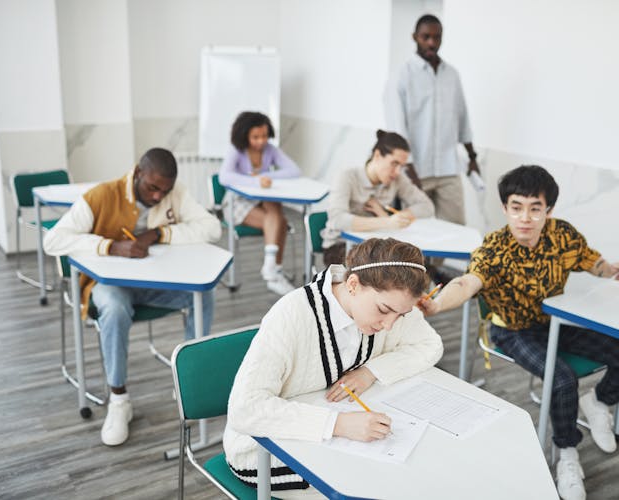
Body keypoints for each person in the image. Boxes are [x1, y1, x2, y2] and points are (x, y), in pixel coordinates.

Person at [418, 165, 619, 500]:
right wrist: (437, 306)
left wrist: (611, 270)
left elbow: (591, 261)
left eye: (535, 208)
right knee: (562, 378)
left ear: (548, 211)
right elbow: (468, 282)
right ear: (505, 208)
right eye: (516, 207)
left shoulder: (563, 235)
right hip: (512, 332)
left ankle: (598, 401)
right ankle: (566, 453)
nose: (525, 217)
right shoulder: (495, 247)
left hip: (554, 325)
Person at [223, 238, 443, 498]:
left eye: (401, 315)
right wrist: (338, 424)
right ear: (352, 285)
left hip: (329, 434)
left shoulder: (390, 302)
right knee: (375, 484)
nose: (389, 326)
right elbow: (245, 409)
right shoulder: (292, 313)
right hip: (262, 450)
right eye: (384, 310)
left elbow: (430, 344)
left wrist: (370, 372)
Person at [43, 147, 222, 447]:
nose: (157, 197)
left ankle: (190, 383)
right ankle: (119, 399)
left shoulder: (174, 193)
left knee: (201, 294)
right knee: (113, 307)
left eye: (163, 191)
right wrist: (110, 247)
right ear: (138, 173)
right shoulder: (102, 195)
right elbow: (53, 240)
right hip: (110, 286)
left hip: (155, 282)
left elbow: (212, 228)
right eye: (152, 188)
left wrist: (159, 234)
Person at [384, 14, 479, 227]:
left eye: (437, 37)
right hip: (416, 170)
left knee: (455, 230)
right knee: (417, 233)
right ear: (415, 37)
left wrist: (472, 157)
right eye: (426, 37)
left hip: (448, 169)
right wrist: (409, 170)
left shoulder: (452, 75)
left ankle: (436, 263)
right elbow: (397, 129)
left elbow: (462, 117)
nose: (431, 43)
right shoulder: (401, 75)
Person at [320, 129, 434, 266]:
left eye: (402, 166)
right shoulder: (347, 176)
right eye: (394, 163)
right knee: (393, 268)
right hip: (341, 246)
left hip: (376, 247)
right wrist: (386, 221)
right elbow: (337, 219)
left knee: (414, 264)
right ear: (377, 155)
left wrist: (399, 216)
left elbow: (427, 206)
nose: (398, 172)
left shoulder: (397, 179)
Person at [218, 111, 301, 295]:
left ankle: (272, 270)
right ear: (244, 135)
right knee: (280, 222)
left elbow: (294, 170)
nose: (261, 141)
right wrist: (255, 180)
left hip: (261, 200)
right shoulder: (236, 150)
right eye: (255, 137)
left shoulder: (270, 150)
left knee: (274, 206)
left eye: (264, 135)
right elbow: (224, 177)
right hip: (236, 202)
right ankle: (273, 271)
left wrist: (265, 176)